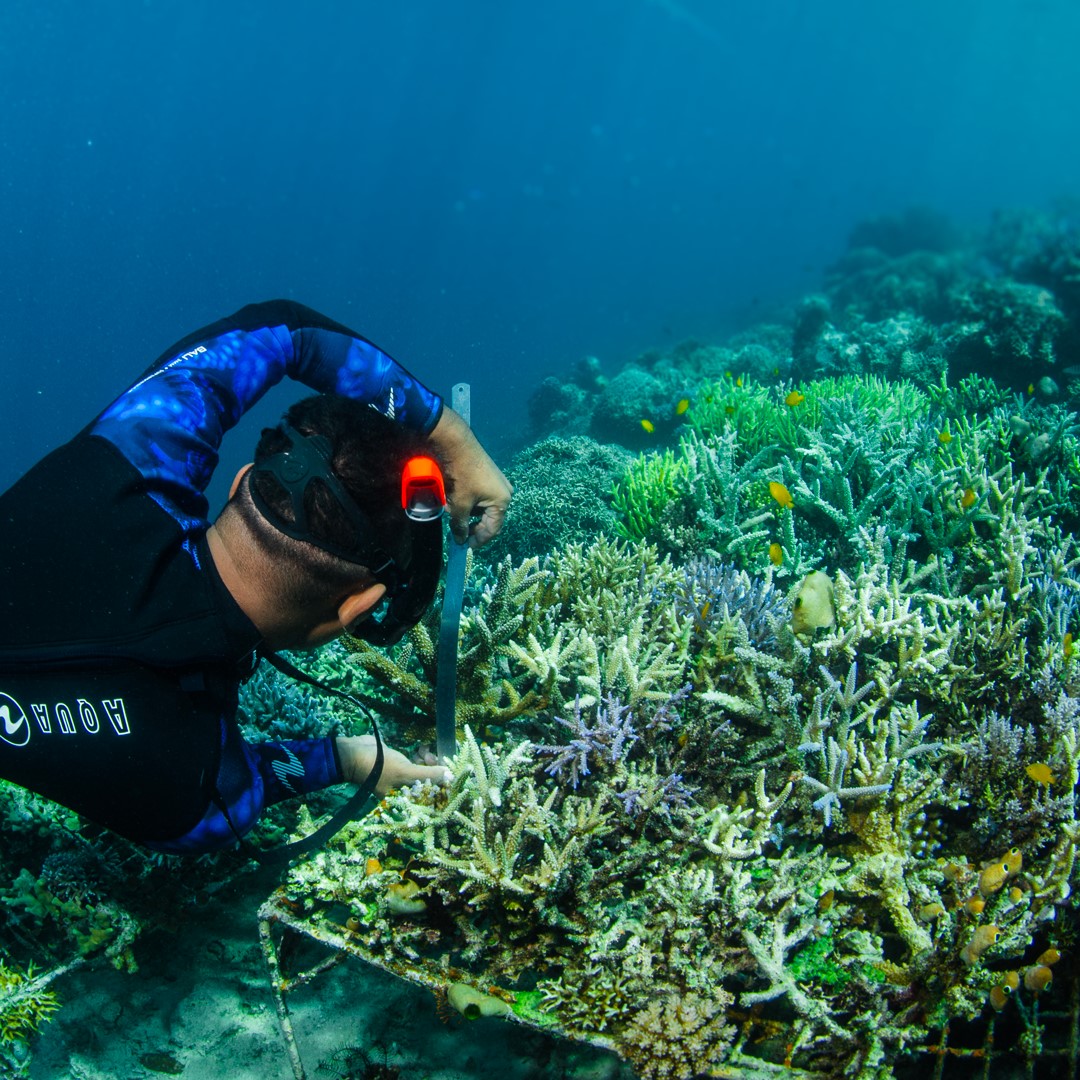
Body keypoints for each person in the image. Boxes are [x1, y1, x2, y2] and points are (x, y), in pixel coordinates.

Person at [0, 300, 512, 855]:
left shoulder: (129, 464)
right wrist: (346, 759)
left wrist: (447, 432)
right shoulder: (201, 796)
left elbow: (286, 331)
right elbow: (247, 789)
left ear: (240, 480)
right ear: (357, 609)